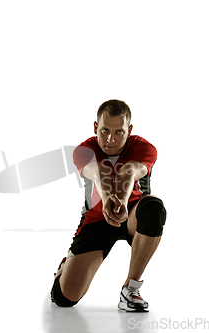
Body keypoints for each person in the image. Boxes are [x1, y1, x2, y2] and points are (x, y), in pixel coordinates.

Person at [50, 99, 167, 312]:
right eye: (104, 130)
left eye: (119, 132)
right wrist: (107, 200)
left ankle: (130, 289)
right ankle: (65, 267)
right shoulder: (84, 150)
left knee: (153, 208)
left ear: (129, 130)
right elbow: (99, 172)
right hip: (97, 219)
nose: (110, 139)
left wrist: (121, 201)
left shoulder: (144, 148)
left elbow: (129, 171)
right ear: (96, 127)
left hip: (133, 215)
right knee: (65, 299)